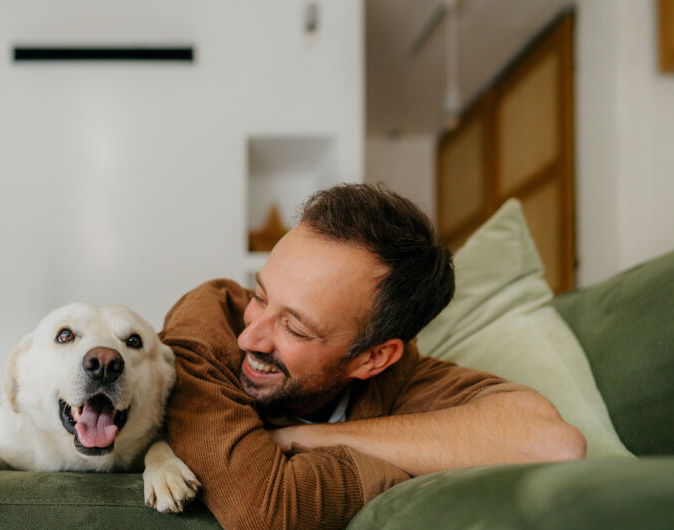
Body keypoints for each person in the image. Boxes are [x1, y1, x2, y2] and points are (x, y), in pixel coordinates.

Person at [160, 183, 585, 529]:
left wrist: (303, 439)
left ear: (374, 359)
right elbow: (266, 510)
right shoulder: (209, 321)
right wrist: (397, 468)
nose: (250, 337)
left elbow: (554, 442)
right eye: (260, 295)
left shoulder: (401, 376)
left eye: (295, 327)